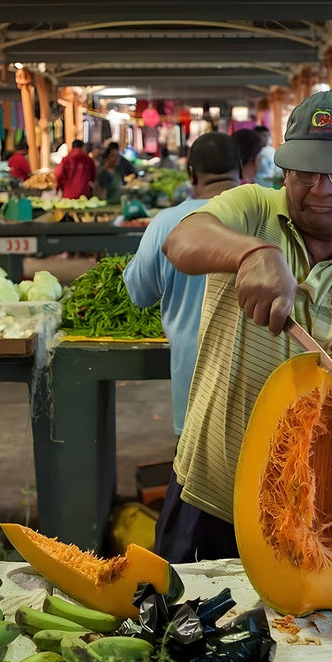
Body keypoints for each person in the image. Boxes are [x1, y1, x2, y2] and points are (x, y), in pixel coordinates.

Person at [154, 90, 332, 563]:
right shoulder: (252, 210)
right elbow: (182, 238)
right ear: (284, 171)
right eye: (305, 171)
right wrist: (253, 253)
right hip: (208, 492)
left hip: (321, 511)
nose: (321, 189)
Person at [122, 132, 242, 437]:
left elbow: (139, 293)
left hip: (193, 369)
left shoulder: (167, 222)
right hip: (258, 369)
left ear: (191, 172)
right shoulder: (268, 215)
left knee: (194, 469)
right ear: (241, 167)